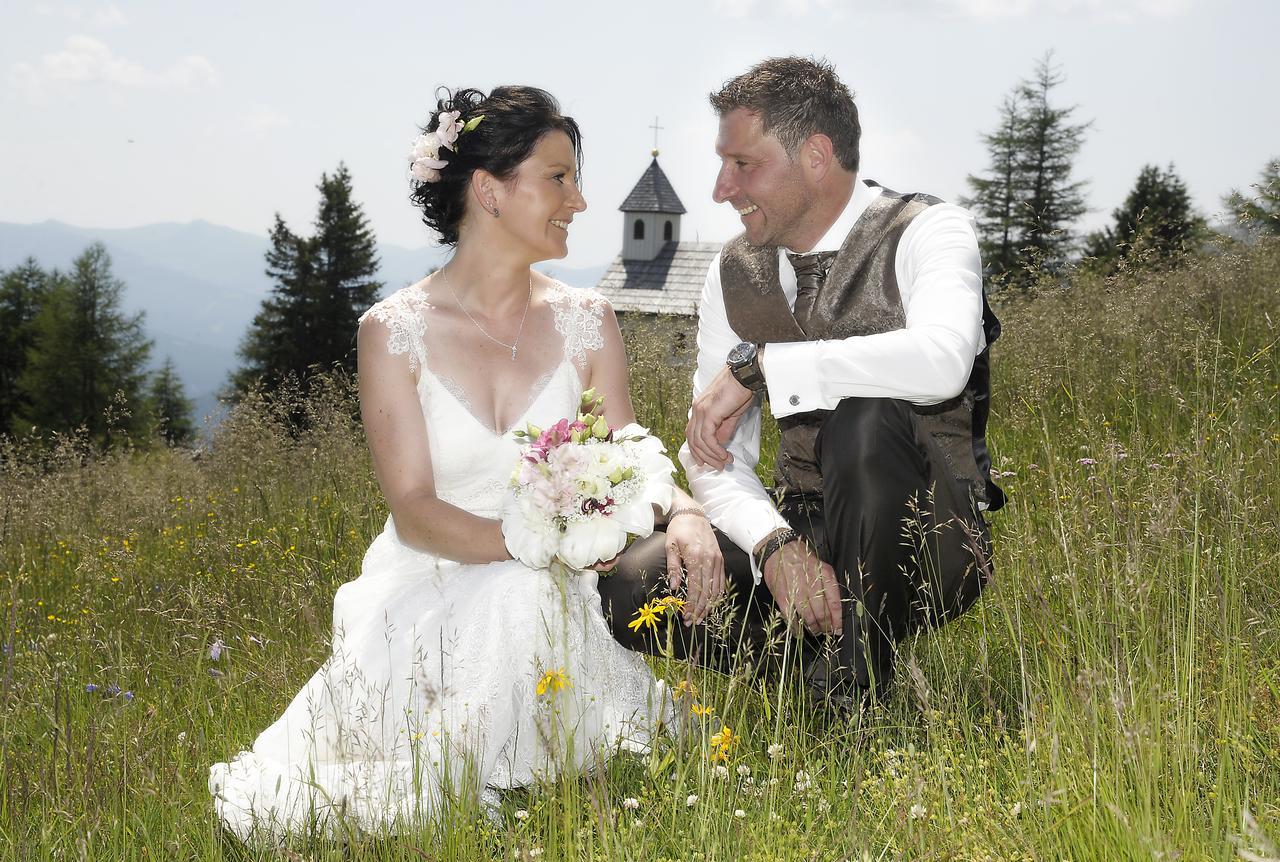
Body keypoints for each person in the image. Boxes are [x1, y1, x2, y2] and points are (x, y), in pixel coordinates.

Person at [209, 85, 723, 840]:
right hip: (438, 581)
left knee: (530, 598)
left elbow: (628, 455)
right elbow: (415, 507)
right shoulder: (393, 331)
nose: (579, 201)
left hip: (564, 582)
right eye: (558, 177)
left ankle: (521, 792)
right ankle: (500, 788)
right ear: (488, 190)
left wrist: (684, 510)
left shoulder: (590, 321)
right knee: (516, 595)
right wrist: (532, 544)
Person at [600, 57, 1003, 707]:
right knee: (634, 581)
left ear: (815, 155)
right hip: (802, 532)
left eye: (743, 165)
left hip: (928, 538)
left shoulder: (928, 232)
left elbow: (944, 359)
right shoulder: (731, 274)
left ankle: (854, 701)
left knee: (865, 418)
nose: (721, 190)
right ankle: (833, 666)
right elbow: (713, 456)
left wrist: (767, 366)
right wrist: (774, 546)